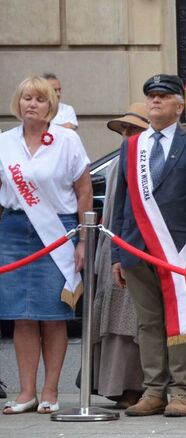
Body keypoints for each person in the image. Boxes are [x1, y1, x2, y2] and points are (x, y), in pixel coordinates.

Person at [110, 74, 186, 418]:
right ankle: (154, 390)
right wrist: (116, 254)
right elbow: (120, 204)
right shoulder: (132, 147)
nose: (154, 101)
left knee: (179, 318)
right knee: (148, 323)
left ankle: (180, 391)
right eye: (151, 96)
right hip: (135, 248)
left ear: (179, 106)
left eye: (162, 96)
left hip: (177, 250)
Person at [0, 76, 91, 414]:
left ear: (50, 105)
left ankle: (50, 390)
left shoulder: (67, 140)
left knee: (52, 315)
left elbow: (84, 191)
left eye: (39, 99)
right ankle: (26, 392)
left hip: (58, 231)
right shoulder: (4, 142)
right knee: (21, 315)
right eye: (27, 98)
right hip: (13, 230)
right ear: (18, 102)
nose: (32, 104)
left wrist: (83, 240)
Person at [87, 104, 150, 407]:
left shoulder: (147, 161)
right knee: (113, 318)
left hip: (140, 248)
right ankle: (114, 385)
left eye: (134, 129)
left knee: (135, 319)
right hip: (112, 246)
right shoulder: (118, 163)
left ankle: (137, 386)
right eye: (125, 129)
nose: (127, 134)